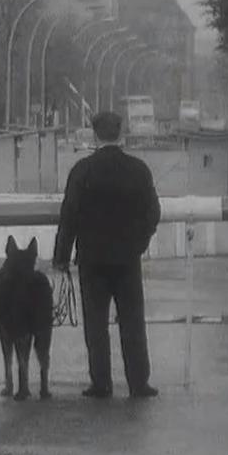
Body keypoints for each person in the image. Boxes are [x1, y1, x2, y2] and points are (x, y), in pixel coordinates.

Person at [52, 111, 161, 399]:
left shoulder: (82, 171)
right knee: (133, 321)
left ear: (94, 134)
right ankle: (139, 383)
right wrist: (139, 243)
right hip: (127, 259)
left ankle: (101, 383)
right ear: (121, 133)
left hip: (92, 259)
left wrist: (61, 256)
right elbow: (153, 213)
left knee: (96, 324)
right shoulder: (138, 170)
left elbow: (69, 216)